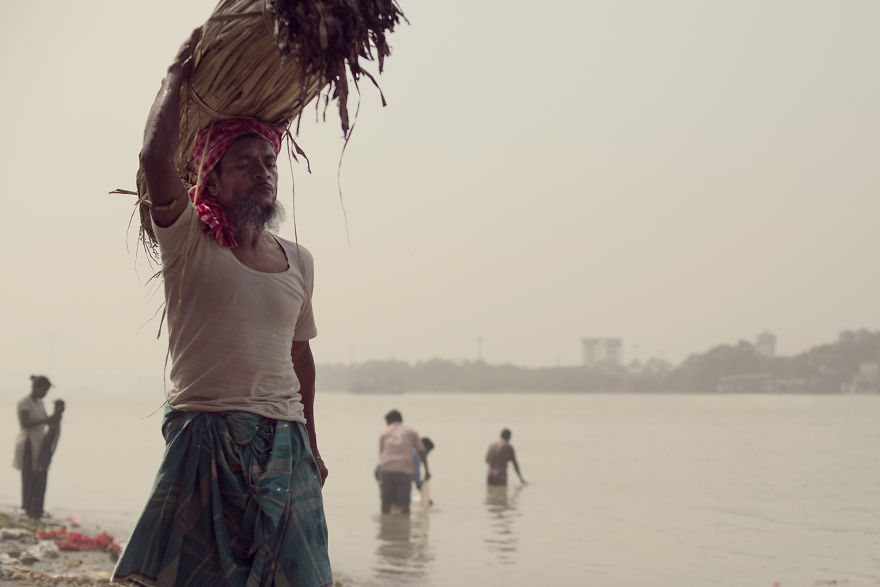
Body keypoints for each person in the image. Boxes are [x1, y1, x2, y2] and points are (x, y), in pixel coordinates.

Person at [112, 28, 332, 587]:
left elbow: (299, 356)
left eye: (269, 162)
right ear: (210, 176)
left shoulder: (298, 261)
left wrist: (310, 440)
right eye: (245, 164)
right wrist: (174, 79)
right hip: (204, 435)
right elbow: (154, 158)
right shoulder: (188, 240)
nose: (263, 173)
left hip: (285, 441)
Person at [13, 375, 64, 519]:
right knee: (29, 477)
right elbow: (26, 423)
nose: (45, 394)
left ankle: (36, 510)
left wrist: (56, 416)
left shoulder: (40, 404)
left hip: (39, 445)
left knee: (39, 477)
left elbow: (47, 422)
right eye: (44, 390)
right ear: (37, 388)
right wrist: (47, 420)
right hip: (28, 444)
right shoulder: (25, 402)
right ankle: (28, 509)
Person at [377, 410, 429, 513]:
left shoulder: (384, 433)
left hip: (385, 469)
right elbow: (421, 451)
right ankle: (404, 526)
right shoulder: (411, 432)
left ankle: (386, 526)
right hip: (403, 470)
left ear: (389, 421)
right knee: (404, 504)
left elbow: (381, 454)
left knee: (385, 503)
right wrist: (427, 470)